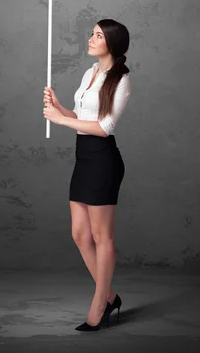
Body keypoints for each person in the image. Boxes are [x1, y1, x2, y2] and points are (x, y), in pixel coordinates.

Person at [43, 19, 131, 332]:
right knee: (80, 234)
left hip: (104, 162)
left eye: (98, 35)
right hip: (84, 158)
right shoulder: (88, 73)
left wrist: (60, 121)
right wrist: (60, 108)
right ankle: (110, 296)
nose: (91, 38)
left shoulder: (120, 80)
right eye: (92, 33)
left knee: (101, 236)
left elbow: (105, 128)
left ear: (112, 43)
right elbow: (82, 118)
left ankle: (99, 304)